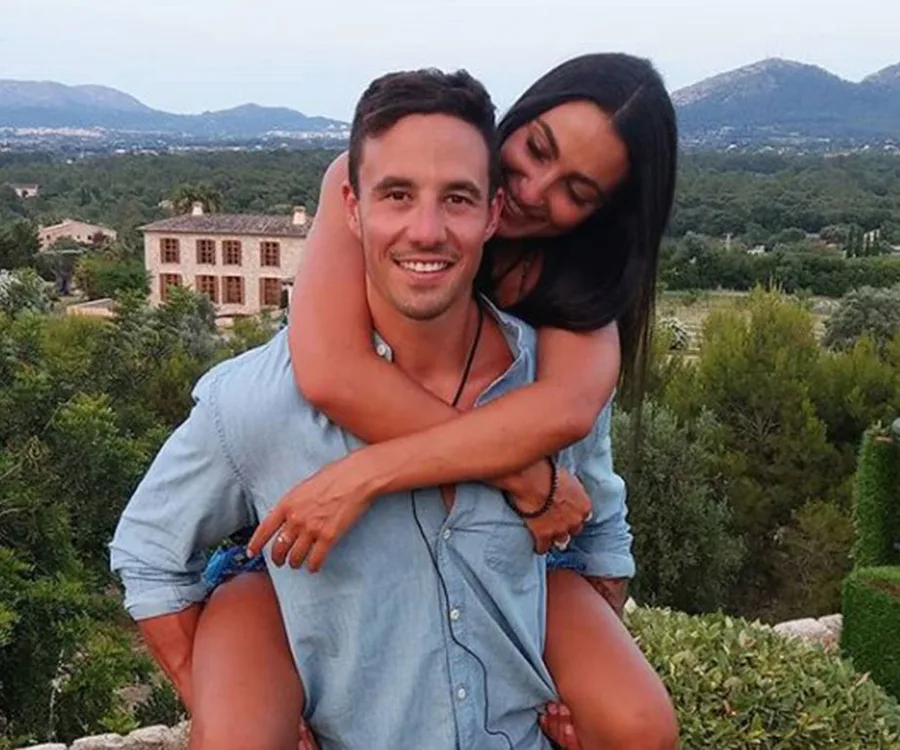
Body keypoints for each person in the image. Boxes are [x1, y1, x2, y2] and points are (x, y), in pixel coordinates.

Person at [110, 67, 661, 750]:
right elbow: (331, 373)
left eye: (577, 190)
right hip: (292, 596)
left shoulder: (566, 324)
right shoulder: (266, 389)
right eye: (537, 151)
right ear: (354, 203)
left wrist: (583, 686)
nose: (532, 191)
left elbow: (590, 490)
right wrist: (522, 475)